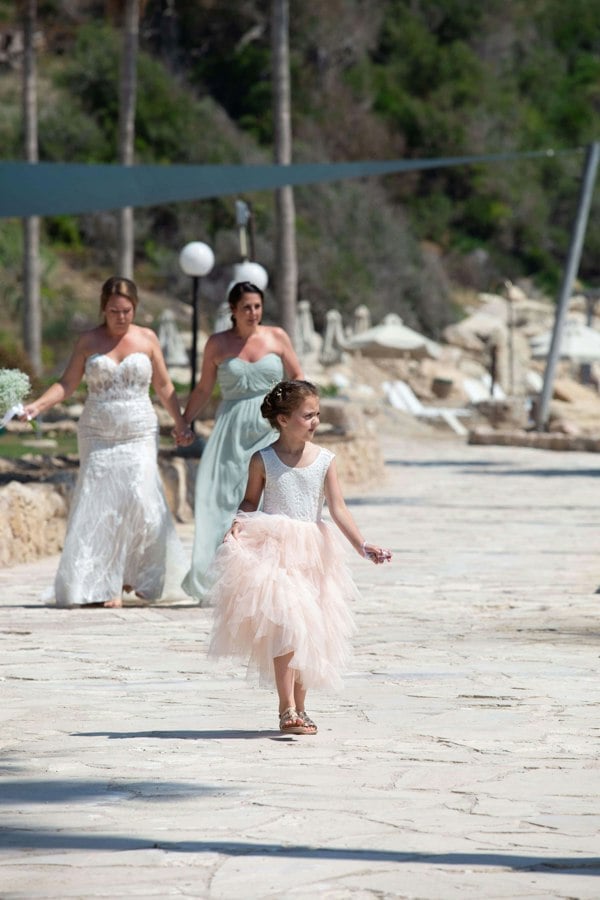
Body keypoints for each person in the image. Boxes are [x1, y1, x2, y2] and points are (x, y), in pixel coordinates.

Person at [205, 380, 392, 735]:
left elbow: (337, 509)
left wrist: (361, 545)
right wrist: (238, 524)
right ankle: (286, 706)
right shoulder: (263, 460)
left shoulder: (324, 461)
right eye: (308, 415)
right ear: (283, 419)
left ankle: (301, 708)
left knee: (309, 628)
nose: (315, 421)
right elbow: (250, 501)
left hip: (313, 550)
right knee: (287, 624)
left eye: (317, 415)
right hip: (272, 548)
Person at [20, 276, 194, 608]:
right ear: (103, 308)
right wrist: (37, 406)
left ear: (135, 308)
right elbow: (68, 384)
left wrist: (181, 422)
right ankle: (101, 585)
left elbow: (163, 386)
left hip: (139, 431)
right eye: (114, 311)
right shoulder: (88, 341)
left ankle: (143, 577)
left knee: (142, 500)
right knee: (98, 503)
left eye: (127, 311)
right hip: (98, 433)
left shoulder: (147, 338)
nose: (121, 317)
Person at [181, 281, 304, 604]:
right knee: (221, 502)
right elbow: (204, 389)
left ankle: (264, 578)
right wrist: (184, 420)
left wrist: (305, 419)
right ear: (233, 310)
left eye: (257, 306)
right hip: (230, 432)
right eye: (246, 307)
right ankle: (222, 579)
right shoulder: (217, 344)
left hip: (270, 428)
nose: (253, 313)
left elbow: (298, 379)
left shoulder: (277, 337)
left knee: (267, 503)